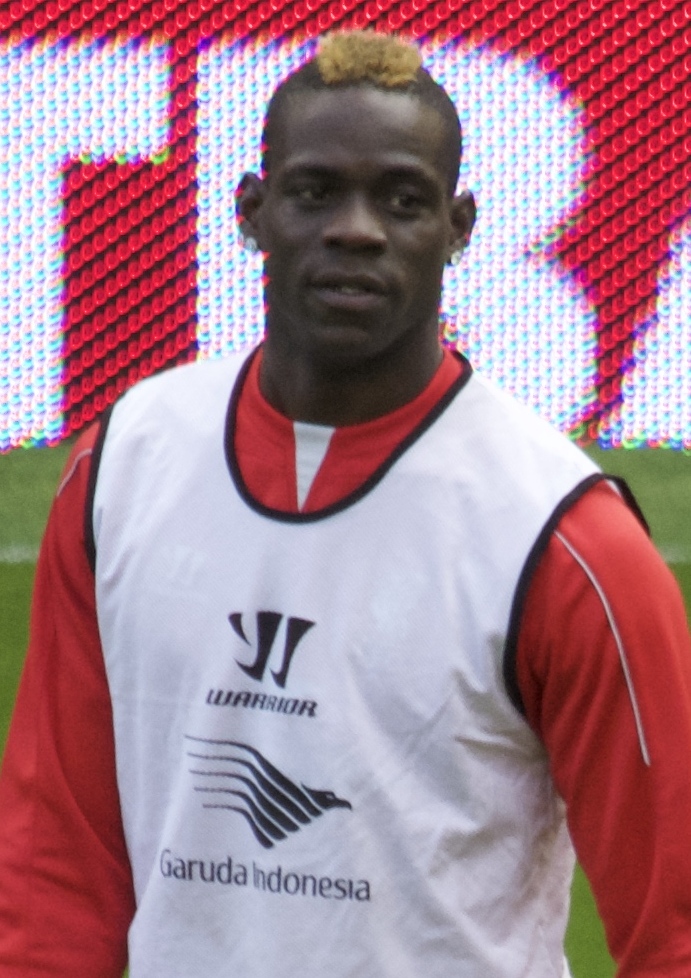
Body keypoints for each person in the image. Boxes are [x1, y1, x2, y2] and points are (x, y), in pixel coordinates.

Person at [1, 29, 691, 978]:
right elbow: (57, 864)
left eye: (401, 199)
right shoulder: (123, 467)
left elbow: (674, 927)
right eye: (316, 192)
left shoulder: (566, 540)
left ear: (458, 225)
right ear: (251, 211)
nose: (356, 230)